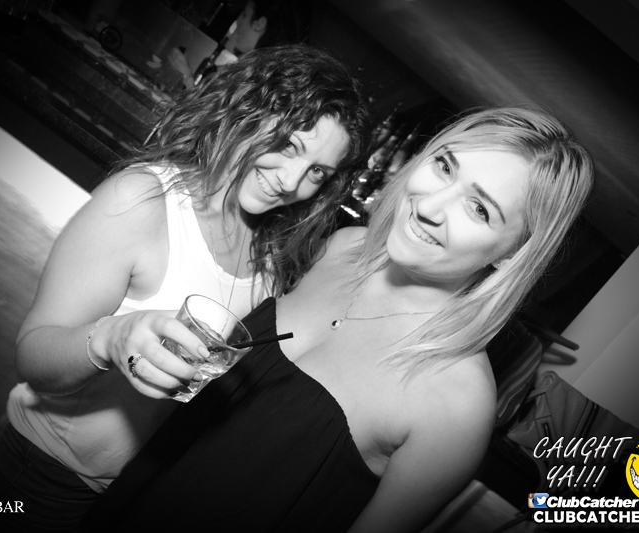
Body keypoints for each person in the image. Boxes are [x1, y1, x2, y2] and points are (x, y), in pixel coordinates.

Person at [80, 107, 594, 532]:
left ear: (514, 254)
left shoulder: (456, 405)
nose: (430, 207)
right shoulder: (344, 248)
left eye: (479, 209)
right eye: (444, 166)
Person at [0, 44, 373, 531]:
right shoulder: (142, 200)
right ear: (248, 111)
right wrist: (110, 338)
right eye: (288, 144)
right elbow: (33, 358)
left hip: (139, 497)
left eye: (317, 172)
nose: (291, 181)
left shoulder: (271, 252)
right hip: (44, 475)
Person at [168, 0, 308, 90]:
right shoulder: (263, 77)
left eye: (245, 15)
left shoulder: (248, 79)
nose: (238, 22)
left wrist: (187, 76)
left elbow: (201, 119)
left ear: (259, 24)